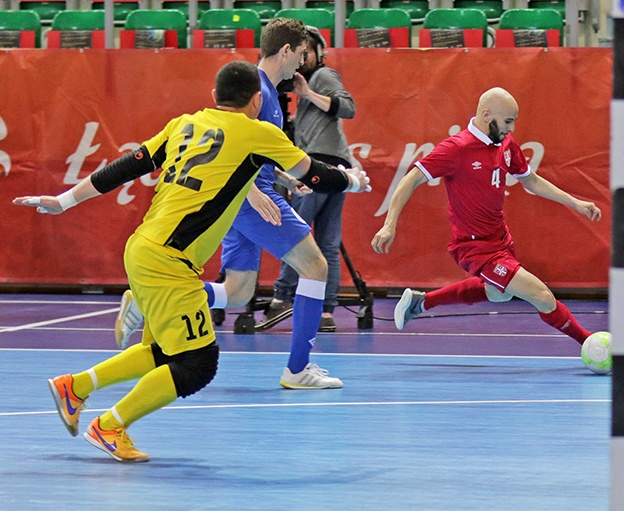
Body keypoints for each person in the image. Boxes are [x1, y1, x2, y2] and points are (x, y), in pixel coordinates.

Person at [13, 60, 369, 462]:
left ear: (213, 97)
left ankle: (74, 387)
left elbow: (124, 167)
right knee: (197, 365)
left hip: (143, 248)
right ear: (257, 100)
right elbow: (317, 174)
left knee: (169, 352)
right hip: (169, 260)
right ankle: (110, 425)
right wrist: (353, 179)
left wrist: (63, 201)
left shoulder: (184, 123)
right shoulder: (259, 132)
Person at [117, 19, 353, 389]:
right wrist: (254, 193)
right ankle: (297, 370)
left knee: (240, 290)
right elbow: (228, 151)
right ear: (286, 51)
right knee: (314, 266)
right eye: (301, 53)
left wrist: (286, 179)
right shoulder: (256, 90)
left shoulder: (271, 94)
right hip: (248, 201)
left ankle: (146, 300)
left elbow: (253, 156)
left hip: (245, 198)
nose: (304, 62)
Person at [371, 87, 600, 345]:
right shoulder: (456, 148)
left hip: (500, 238)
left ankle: (421, 302)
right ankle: (589, 343)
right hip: (473, 246)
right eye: (507, 121)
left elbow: (531, 181)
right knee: (542, 295)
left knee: (499, 294)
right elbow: (410, 179)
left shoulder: (505, 144)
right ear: (486, 114)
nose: (511, 128)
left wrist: (575, 203)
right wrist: (389, 225)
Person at [265, 26, 356, 333]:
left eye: (309, 51)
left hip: (318, 164)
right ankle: (327, 311)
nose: (303, 57)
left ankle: (281, 296)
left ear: (320, 53)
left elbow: (348, 107)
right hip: (335, 165)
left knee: (297, 234)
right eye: (299, 52)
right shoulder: (302, 83)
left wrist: (307, 93)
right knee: (328, 241)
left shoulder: (322, 77)